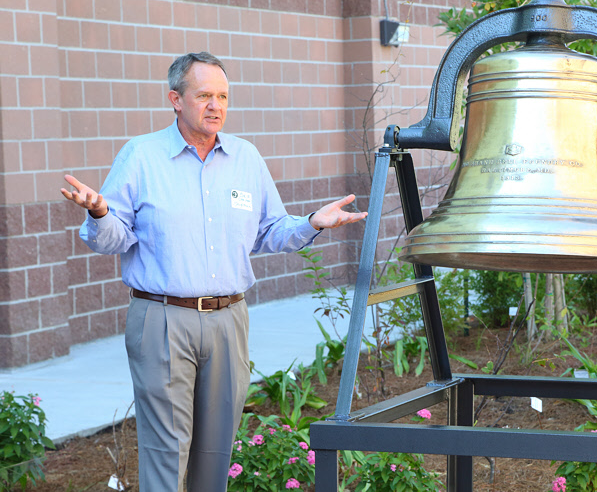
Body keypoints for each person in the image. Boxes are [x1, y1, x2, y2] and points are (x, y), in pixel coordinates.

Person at [60, 52, 367, 491]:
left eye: (222, 96)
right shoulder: (142, 157)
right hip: (163, 319)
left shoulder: (245, 157)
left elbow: (270, 232)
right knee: (167, 452)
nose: (215, 105)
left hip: (229, 321)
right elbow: (114, 240)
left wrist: (312, 223)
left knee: (215, 451)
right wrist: (100, 212)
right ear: (175, 99)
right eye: (204, 94)